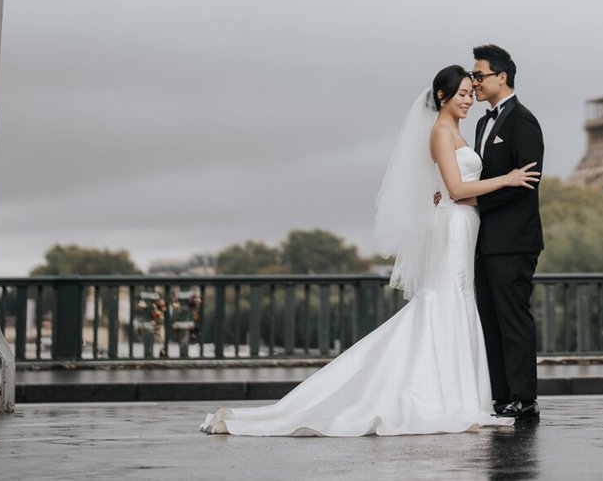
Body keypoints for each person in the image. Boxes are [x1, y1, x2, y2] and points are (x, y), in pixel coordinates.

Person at [199, 65, 540, 437]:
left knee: (456, 301)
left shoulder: (455, 131)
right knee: (449, 300)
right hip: (455, 225)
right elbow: (458, 189)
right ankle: (447, 396)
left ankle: (456, 396)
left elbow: (449, 186)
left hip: (464, 223)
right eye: (460, 93)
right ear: (441, 97)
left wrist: (447, 193)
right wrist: (506, 179)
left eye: (470, 94)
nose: (468, 99)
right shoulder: (441, 132)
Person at [468, 43, 544, 421]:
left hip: (513, 241)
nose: (474, 82)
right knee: (491, 319)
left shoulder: (523, 120)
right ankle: (502, 397)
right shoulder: (483, 123)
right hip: (485, 241)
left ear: (502, 77)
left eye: (479, 75)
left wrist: (476, 203)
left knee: (513, 319)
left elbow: (525, 182)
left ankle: (524, 398)